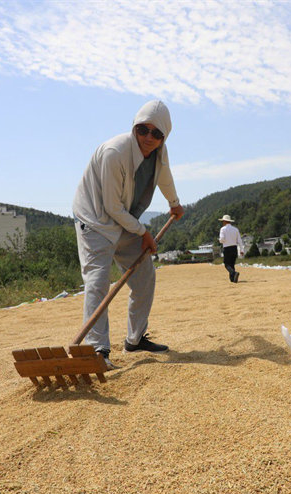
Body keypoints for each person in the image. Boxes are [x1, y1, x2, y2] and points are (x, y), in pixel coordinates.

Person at [73, 100, 185, 370]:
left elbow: (164, 176)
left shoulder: (159, 153)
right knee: (98, 282)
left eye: (156, 134)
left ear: (164, 137)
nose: (149, 137)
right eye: (143, 130)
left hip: (126, 221)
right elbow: (112, 207)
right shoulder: (115, 152)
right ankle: (97, 349)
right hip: (96, 220)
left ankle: (135, 339)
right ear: (134, 128)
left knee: (145, 275)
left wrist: (174, 202)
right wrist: (144, 232)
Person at [218, 214, 244, 283]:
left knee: (227, 264)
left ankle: (234, 273)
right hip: (234, 248)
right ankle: (232, 279)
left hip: (227, 248)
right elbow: (240, 241)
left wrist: (220, 240)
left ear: (224, 221)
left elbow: (222, 239)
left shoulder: (222, 229)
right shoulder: (235, 229)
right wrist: (241, 250)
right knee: (232, 264)